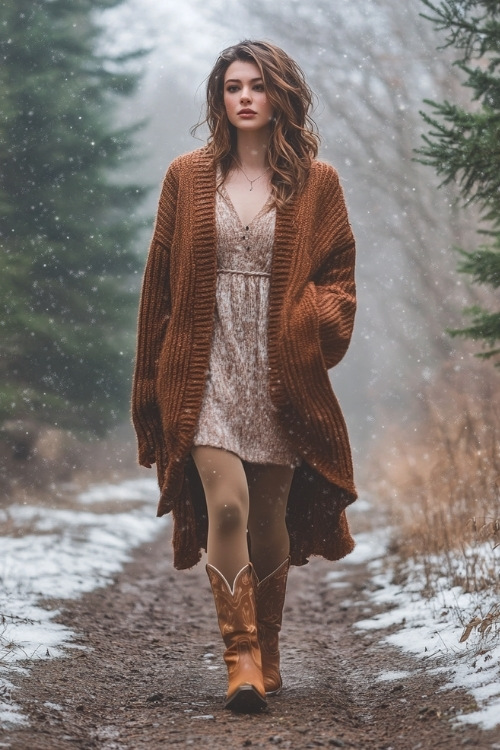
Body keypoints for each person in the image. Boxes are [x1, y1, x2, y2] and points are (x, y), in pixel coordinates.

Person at [132, 40, 357, 713]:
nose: (245, 98)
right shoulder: (186, 177)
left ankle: (270, 642)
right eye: (233, 87)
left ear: (280, 94)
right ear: (219, 98)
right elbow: (159, 291)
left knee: (267, 522)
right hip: (202, 371)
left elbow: (340, 281)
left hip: (280, 374)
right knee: (225, 505)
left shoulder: (319, 183)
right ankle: (242, 659)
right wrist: (149, 386)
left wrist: (305, 324)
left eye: (257, 85)